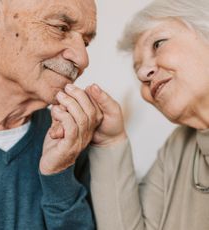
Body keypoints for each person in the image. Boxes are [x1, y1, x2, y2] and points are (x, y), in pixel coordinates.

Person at [0, 0, 127, 229]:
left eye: (86, 43)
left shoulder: (72, 142)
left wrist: (59, 175)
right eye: (61, 28)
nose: (82, 60)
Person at [88, 0, 209, 229]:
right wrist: (110, 141)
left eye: (158, 44)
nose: (144, 73)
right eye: (137, 70)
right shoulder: (176, 148)